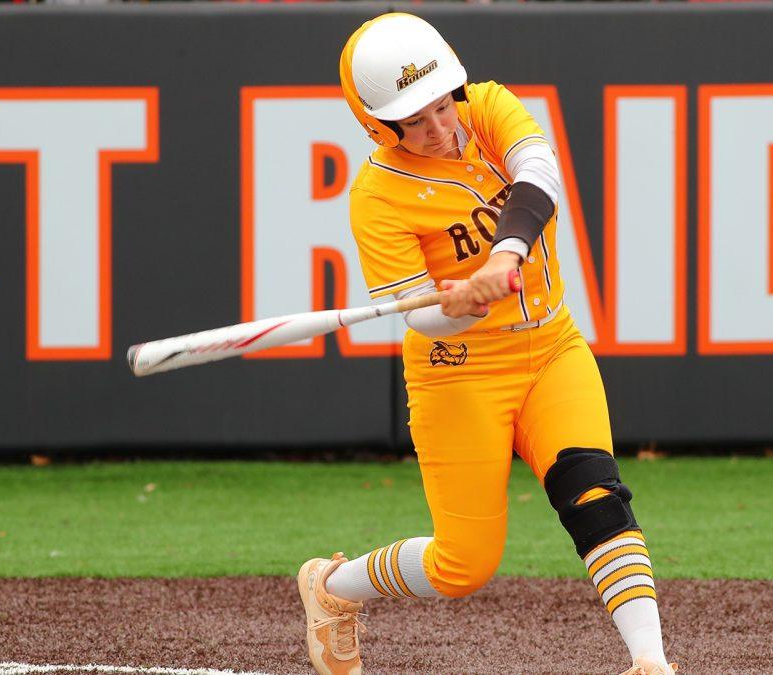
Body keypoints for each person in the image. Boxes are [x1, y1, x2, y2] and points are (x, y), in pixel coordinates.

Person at [296, 13, 677, 675]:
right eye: (416, 121)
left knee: (593, 491)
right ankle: (333, 588)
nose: (441, 129)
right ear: (379, 127)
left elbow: (541, 173)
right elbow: (423, 319)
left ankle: (650, 661)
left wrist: (505, 251)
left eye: (443, 106)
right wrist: (461, 303)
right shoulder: (378, 197)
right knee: (462, 564)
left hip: (553, 347)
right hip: (460, 374)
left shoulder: (492, 105)